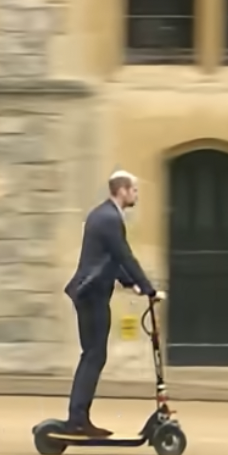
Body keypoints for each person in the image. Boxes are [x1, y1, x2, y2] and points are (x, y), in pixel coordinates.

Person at [63, 170, 163, 437]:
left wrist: (132, 283)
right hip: (92, 295)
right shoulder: (108, 218)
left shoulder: (104, 215)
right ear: (122, 190)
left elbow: (109, 259)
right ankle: (77, 420)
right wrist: (149, 287)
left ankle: (78, 418)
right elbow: (123, 255)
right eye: (134, 190)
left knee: (93, 355)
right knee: (94, 355)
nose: (137, 195)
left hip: (92, 293)